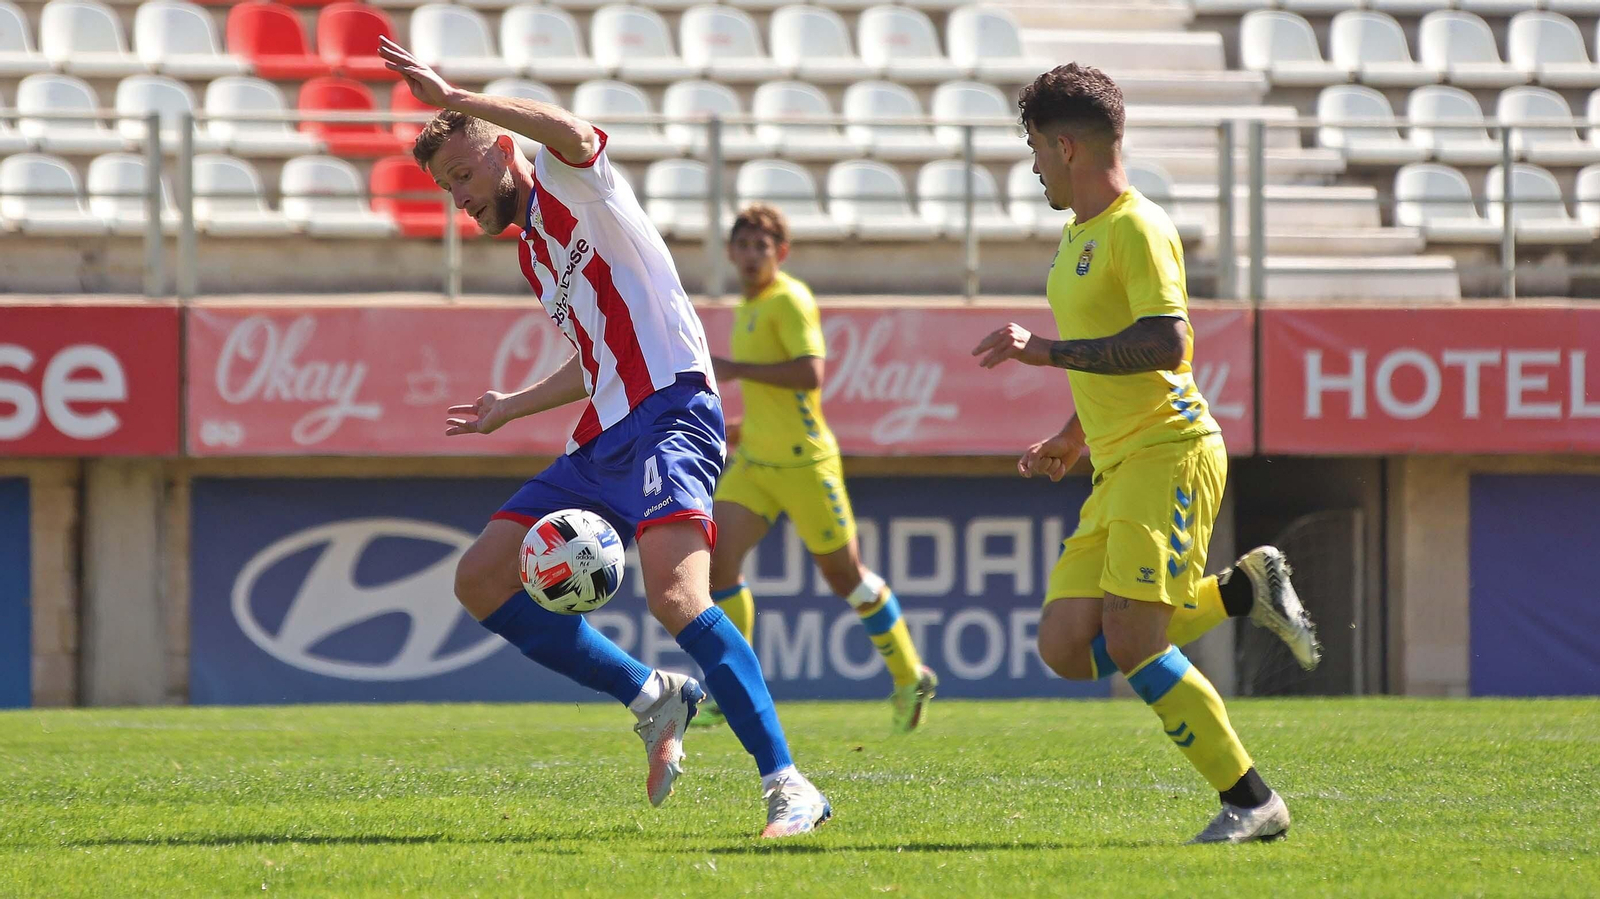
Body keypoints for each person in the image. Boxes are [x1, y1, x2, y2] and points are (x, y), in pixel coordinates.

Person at [377, 36, 830, 838]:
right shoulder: (536, 254)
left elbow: (569, 127)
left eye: (463, 177)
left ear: (502, 152)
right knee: (482, 577)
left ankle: (789, 784)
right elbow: (595, 357)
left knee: (676, 594)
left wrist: (459, 96)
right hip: (607, 432)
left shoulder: (567, 179)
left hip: (673, 412)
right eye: (447, 188)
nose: (459, 200)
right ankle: (653, 694)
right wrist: (511, 406)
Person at [971, 63, 1321, 844]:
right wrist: (1071, 436)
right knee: (1067, 646)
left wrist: (1046, 351)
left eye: (1034, 146)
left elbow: (1167, 343)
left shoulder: (1138, 225)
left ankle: (1252, 800)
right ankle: (1238, 591)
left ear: (1066, 146)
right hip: (1117, 461)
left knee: (1133, 640)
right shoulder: (1076, 239)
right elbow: (1111, 359)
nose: (1031, 165)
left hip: (1170, 450)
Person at [699, 204, 938, 733]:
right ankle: (731, 686)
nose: (752, 255)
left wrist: (737, 370)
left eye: (763, 246)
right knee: (716, 562)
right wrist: (746, 423)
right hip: (757, 462)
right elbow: (774, 392)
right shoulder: (749, 306)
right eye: (743, 245)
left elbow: (810, 374)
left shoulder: (790, 299)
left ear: (780, 253)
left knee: (845, 577)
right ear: (731, 252)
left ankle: (908, 674)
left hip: (806, 465)